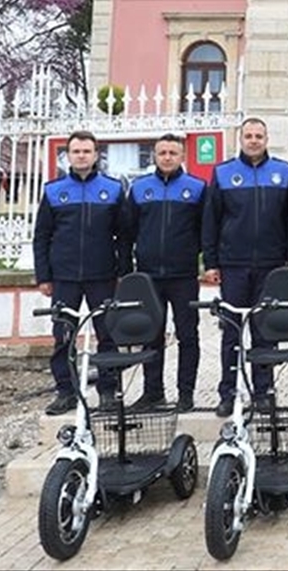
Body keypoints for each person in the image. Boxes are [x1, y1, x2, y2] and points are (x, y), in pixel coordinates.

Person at [202, 117, 288, 418]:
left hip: (270, 265)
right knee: (232, 331)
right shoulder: (224, 172)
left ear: (267, 139)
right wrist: (212, 262)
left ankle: (263, 391)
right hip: (234, 266)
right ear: (240, 139)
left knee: (264, 331)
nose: (254, 140)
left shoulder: (283, 172)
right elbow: (211, 221)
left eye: (259, 135)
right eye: (249, 136)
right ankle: (228, 391)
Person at [33, 130, 127, 415]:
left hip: (102, 275)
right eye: (76, 151)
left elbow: (123, 236)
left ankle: (109, 392)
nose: (82, 156)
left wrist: (123, 272)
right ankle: (66, 392)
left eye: (87, 151)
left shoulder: (112, 189)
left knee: (107, 335)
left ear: (96, 154)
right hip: (64, 277)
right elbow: (42, 236)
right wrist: (44, 277)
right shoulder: (54, 191)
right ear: (68, 156)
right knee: (63, 336)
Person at [121, 133, 205, 413]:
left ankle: (186, 393)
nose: (167, 157)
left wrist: (206, 263)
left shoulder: (196, 188)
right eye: (162, 153)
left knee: (188, 336)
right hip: (148, 277)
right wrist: (126, 272)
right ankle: (153, 392)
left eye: (173, 153)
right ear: (154, 156)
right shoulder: (139, 188)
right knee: (151, 336)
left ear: (182, 156)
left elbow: (206, 231)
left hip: (183, 276)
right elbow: (126, 233)